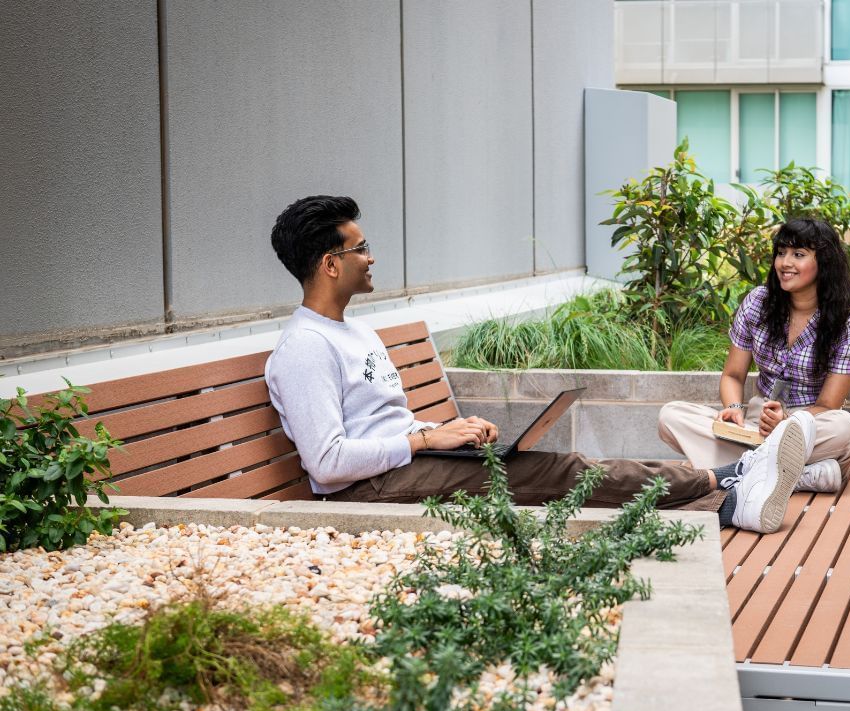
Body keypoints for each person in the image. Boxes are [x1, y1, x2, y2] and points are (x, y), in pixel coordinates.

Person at [263, 195, 815, 534]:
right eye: (361, 248)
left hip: (401, 465)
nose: (372, 257)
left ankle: (727, 502)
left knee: (552, 469)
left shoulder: (355, 331)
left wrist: (449, 431)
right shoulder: (305, 348)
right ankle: (726, 480)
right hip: (368, 490)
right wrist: (428, 440)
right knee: (558, 472)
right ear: (331, 264)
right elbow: (327, 464)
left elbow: (383, 426)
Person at [657, 217, 850, 492]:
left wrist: (787, 423)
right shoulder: (758, 302)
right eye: (781, 253)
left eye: (798, 254)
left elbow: (828, 405)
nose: (785, 263)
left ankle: (738, 471)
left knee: (847, 428)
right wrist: (734, 409)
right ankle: (799, 477)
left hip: (808, 426)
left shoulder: (849, 324)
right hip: (756, 425)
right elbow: (733, 375)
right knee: (671, 416)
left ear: (825, 262)